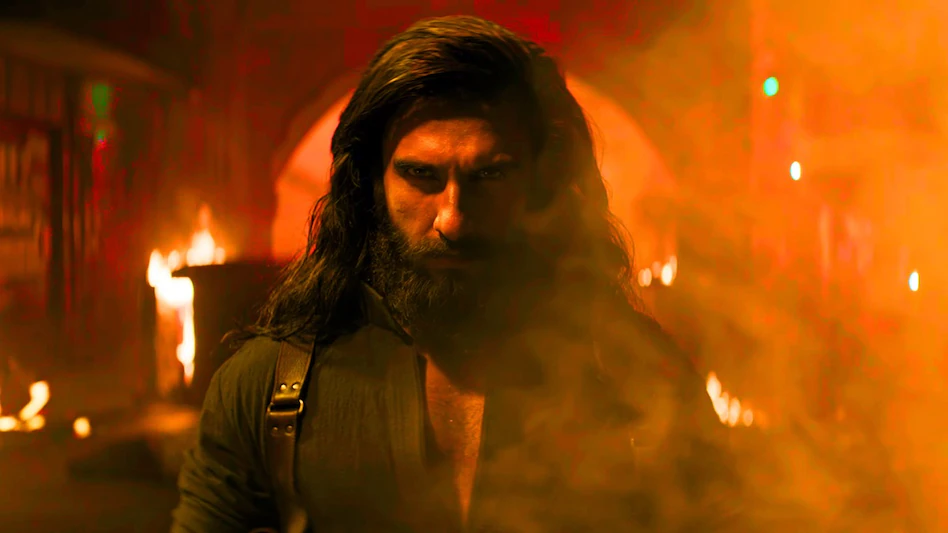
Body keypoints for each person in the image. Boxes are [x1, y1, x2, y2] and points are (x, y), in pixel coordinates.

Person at [172, 15, 743, 533]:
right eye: (420, 175)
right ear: (371, 186)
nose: (453, 218)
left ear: (541, 186)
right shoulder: (269, 389)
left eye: (489, 175)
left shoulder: (641, 380)